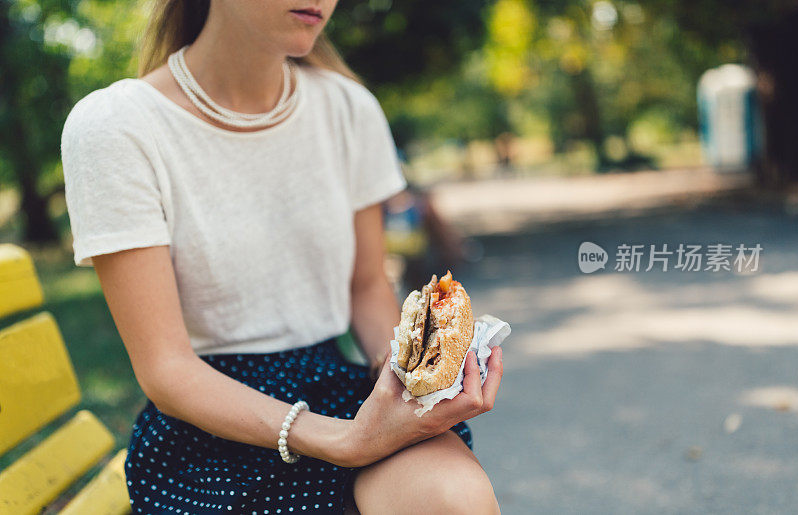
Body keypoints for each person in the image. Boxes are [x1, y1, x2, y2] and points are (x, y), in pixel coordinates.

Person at [59, 1, 503, 514]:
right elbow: (166, 370)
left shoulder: (347, 108)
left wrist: (408, 380)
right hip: (209, 427)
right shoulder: (116, 125)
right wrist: (344, 440)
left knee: (454, 499)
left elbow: (364, 287)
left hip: (340, 390)